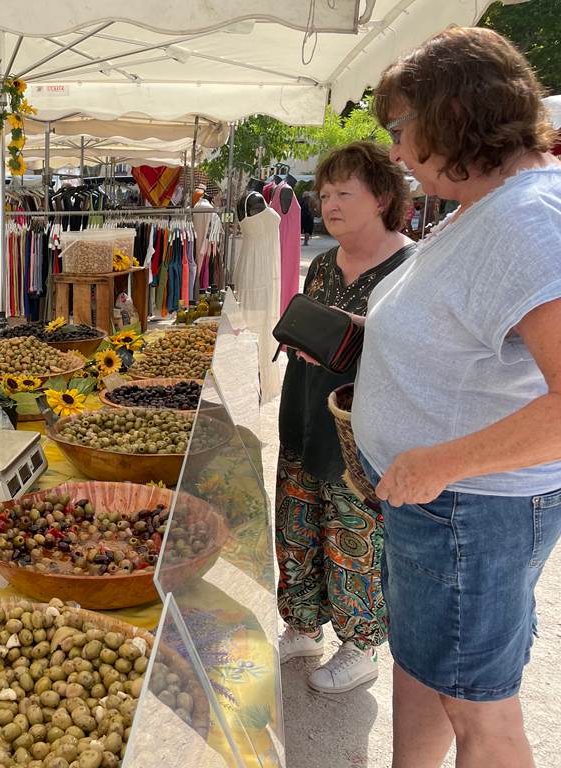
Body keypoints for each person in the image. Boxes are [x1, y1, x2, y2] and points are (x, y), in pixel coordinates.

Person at [353, 27, 561, 767]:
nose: (400, 154)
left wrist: (439, 463)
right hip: (443, 505)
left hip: (470, 509)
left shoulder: (528, 220)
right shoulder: (491, 207)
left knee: (482, 714)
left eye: (403, 130)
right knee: (428, 666)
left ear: (454, 115)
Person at [276, 142, 414, 693]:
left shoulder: (409, 269)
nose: (329, 204)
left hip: (361, 432)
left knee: (353, 536)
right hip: (303, 411)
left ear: (381, 197)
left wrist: (361, 334)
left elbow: (416, 358)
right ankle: (303, 624)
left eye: (343, 193)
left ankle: (360, 647)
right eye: (324, 193)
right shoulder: (325, 264)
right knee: (297, 525)